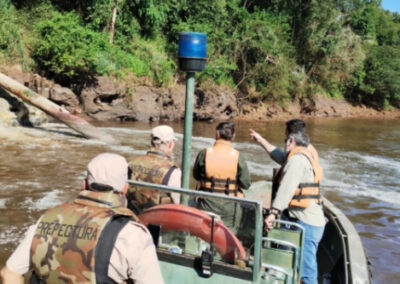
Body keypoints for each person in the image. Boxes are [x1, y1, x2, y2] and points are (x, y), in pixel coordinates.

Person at [0, 153, 164, 284]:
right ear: (125, 188)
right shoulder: (132, 234)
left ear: (84, 185)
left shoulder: (45, 219)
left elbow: (9, 274)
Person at [253, 131, 325, 284]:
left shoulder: (297, 160)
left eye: (285, 140)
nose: (284, 144)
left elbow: (287, 188)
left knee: (306, 271)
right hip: (305, 219)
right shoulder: (305, 155)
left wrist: (273, 213)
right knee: (295, 265)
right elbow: (278, 155)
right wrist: (261, 140)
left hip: (305, 222)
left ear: (291, 141)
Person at [193, 121, 251, 234]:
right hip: (230, 205)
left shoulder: (204, 153)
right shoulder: (238, 156)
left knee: (205, 234)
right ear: (233, 137)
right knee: (228, 236)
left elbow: (196, 176)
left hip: (207, 203)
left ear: (217, 134)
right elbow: (246, 184)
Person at [250, 119, 322, 199]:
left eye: (286, 138)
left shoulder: (299, 155)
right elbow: (281, 157)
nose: (286, 142)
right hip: (307, 197)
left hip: (300, 201)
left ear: (291, 139)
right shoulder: (306, 149)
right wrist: (260, 140)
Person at [128, 125, 181, 214]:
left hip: (132, 215)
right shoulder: (173, 171)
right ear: (170, 144)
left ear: (151, 142)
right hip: (158, 221)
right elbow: (178, 203)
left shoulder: (132, 162)